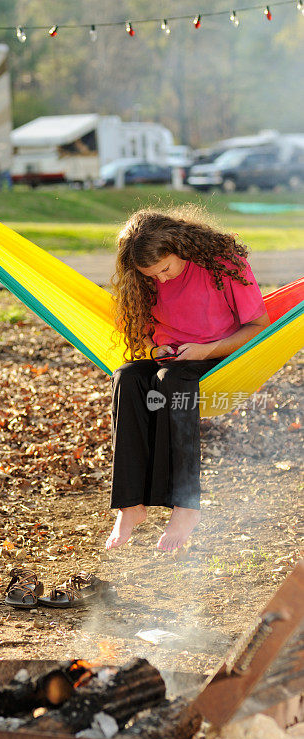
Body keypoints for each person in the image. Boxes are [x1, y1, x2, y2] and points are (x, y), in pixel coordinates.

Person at [105, 206, 270, 553]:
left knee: (171, 380)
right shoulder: (143, 278)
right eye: (152, 276)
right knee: (126, 378)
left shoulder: (222, 263)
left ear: (178, 247)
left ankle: (185, 505)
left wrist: (206, 350)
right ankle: (131, 504)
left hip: (221, 355)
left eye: (165, 269)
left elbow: (259, 327)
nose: (161, 280)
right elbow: (137, 335)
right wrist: (152, 350)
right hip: (171, 357)